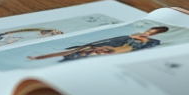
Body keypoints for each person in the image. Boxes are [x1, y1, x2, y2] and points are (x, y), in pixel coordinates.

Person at [26, 26, 169, 61]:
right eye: (150, 31)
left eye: (152, 32)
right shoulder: (133, 35)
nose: (149, 33)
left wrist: (143, 38)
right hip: (109, 48)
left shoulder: (147, 40)